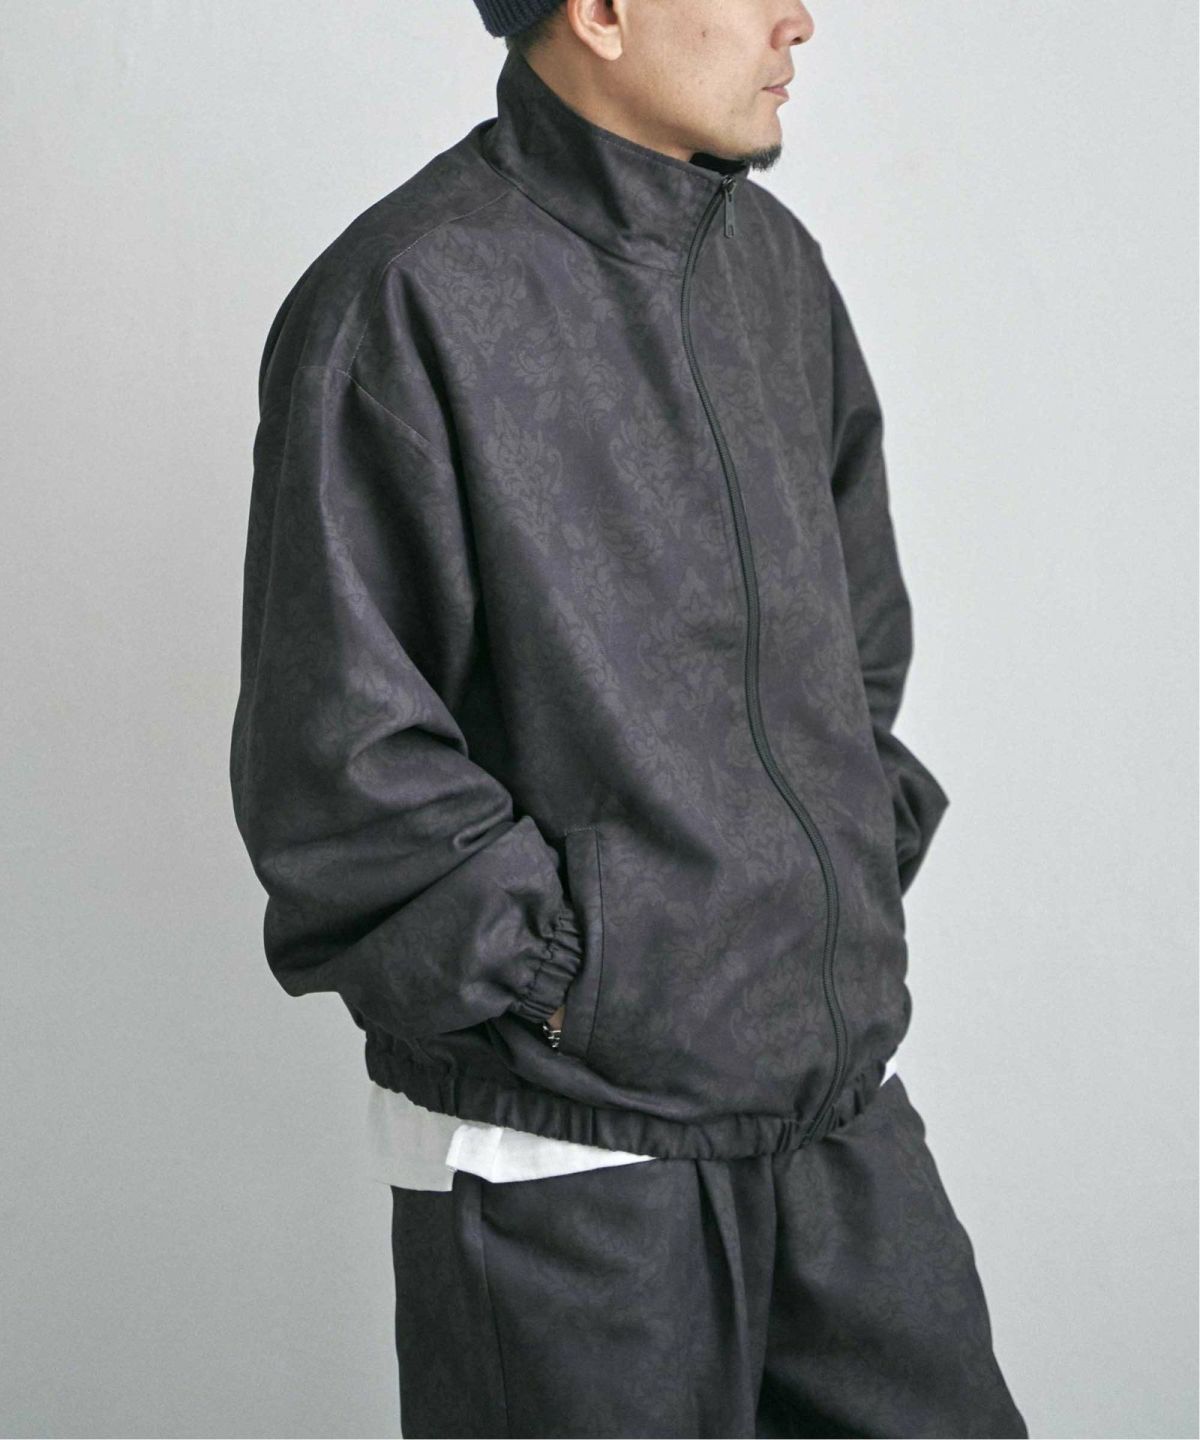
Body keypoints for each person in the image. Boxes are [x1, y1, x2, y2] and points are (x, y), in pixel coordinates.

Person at [229, 1, 1030, 1434]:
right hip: (566, 1158)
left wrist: (838, 870)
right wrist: (572, 975)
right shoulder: (405, 297)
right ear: (598, 11)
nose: (798, 19)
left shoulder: (775, 272)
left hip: (833, 1115)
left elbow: (854, 652)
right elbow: (337, 761)